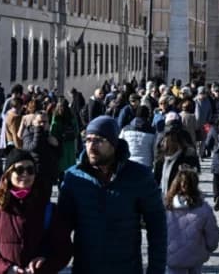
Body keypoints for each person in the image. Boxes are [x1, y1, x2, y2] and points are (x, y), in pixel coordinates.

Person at [58, 115, 167, 274]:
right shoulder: (73, 178)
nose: (91, 146)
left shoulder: (139, 176)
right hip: (86, 268)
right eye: (88, 140)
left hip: (126, 268)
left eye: (99, 140)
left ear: (114, 143)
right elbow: (60, 229)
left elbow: (157, 227)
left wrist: (155, 270)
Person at [0, 149, 73, 274]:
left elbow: (63, 250)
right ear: (8, 173)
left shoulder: (48, 209)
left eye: (30, 170)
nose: (25, 174)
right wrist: (5, 268)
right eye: (19, 170)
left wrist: (45, 262)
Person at [165, 167, 219, 274]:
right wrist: (210, 247)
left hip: (171, 255)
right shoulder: (204, 208)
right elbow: (212, 233)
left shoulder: (165, 207)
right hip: (195, 255)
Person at [154, 120, 200, 194]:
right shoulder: (161, 159)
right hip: (163, 198)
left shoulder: (187, 158)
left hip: (180, 198)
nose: (163, 142)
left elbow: (192, 182)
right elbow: (156, 181)